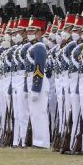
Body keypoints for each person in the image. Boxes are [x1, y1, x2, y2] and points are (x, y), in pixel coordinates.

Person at [27, 17, 50, 148]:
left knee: (40, 113)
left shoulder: (39, 47)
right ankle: (37, 140)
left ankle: (42, 142)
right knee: (34, 113)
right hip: (33, 81)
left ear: (39, 32)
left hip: (38, 82)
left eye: (31, 30)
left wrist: (36, 88)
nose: (29, 32)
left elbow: (38, 68)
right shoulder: (35, 46)